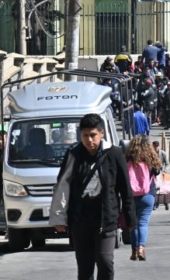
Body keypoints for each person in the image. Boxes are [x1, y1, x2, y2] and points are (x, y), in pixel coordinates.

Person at [50, 113, 136, 280]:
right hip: (80, 220)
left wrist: (130, 219)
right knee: (85, 267)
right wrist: (58, 217)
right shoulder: (73, 154)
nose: (89, 140)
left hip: (106, 219)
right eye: (85, 135)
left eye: (93, 135)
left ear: (102, 134)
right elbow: (62, 186)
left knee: (105, 261)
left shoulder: (114, 154)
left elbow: (125, 188)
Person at [125, 135, 162, 261]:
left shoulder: (127, 159)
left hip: (131, 197)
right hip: (147, 195)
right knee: (143, 223)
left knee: (133, 224)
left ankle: (134, 251)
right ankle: (141, 247)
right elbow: (157, 172)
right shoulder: (150, 159)